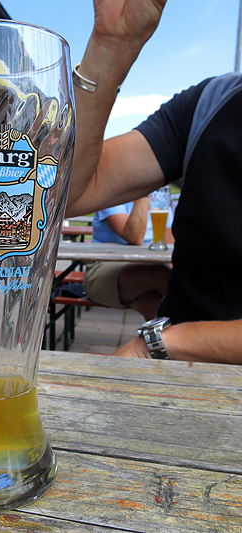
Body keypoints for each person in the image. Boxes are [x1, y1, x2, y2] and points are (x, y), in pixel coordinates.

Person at [65, 0, 242, 364]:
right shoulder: (209, 104)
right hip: (103, 276)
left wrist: (159, 342)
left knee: (158, 281)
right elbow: (60, 194)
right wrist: (110, 46)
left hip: (179, 353)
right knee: (158, 279)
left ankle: (154, 326)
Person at [84, 197, 174, 320]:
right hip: (102, 271)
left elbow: (169, 249)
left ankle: (176, 335)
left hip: (144, 278)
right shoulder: (114, 195)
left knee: (156, 306)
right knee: (161, 274)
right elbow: (135, 237)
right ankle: (197, 324)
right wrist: (144, 195)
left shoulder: (159, 198)